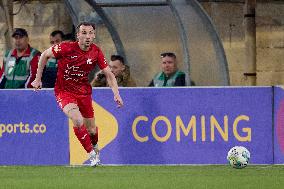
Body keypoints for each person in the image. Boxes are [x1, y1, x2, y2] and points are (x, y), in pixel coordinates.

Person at [31, 22, 123, 167]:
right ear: (78, 35)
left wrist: (116, 94)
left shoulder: (96, 52)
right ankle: (92, 155)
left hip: (84, 93)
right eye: (84, 33)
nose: (88, 36)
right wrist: (37, 79)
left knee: (92, 130)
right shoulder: (65, 48)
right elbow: (44, 55)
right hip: (64, 92)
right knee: (77, 120)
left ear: (94, 35)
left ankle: (95, 149)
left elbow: (109, 75)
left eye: (91, 33)